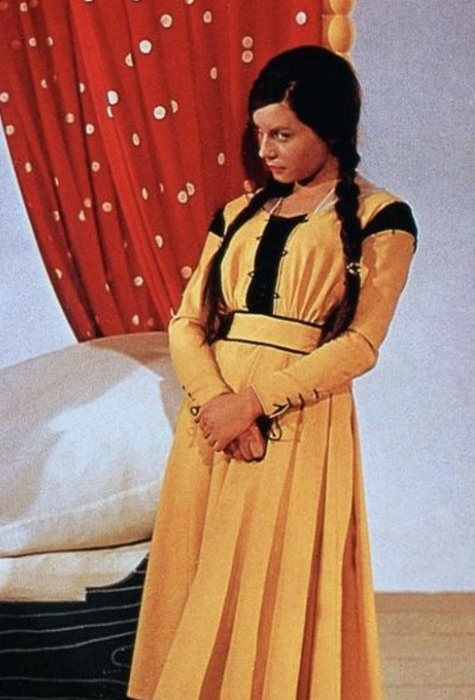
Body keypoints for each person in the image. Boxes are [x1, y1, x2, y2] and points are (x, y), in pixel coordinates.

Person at [128, 46, 416, 699]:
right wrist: (217, 403)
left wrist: (255, 403)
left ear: (330, 130)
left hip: (296, 423)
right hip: (210, 426)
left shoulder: (381, 219)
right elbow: (187, 322)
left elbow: (360, 343)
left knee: (272, 582)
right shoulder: (237, 216)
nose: (266, 151)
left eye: (283, 135)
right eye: (259, 134)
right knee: (196, 578)